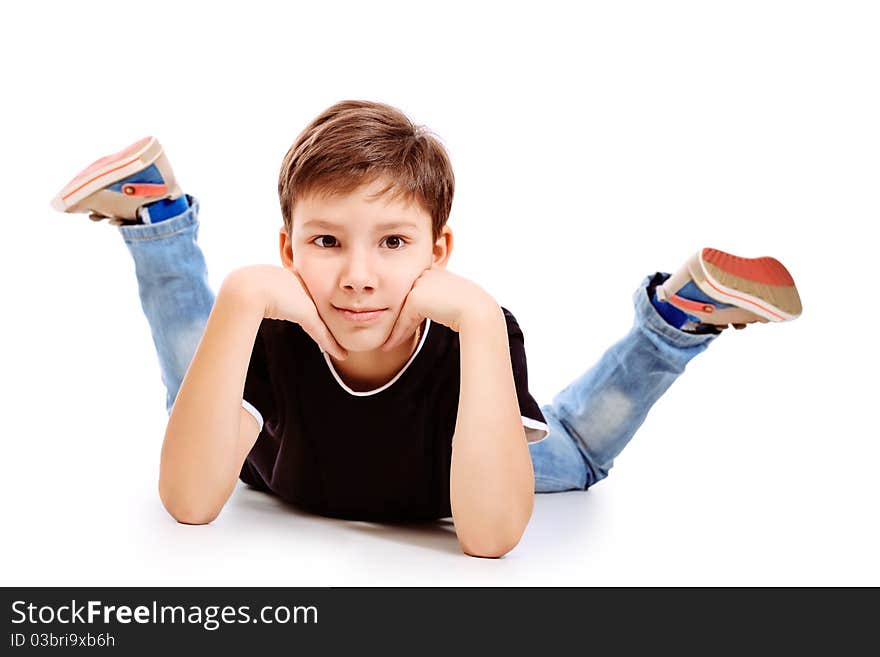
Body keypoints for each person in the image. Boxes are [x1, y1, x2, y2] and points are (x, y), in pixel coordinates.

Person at [50, 100, 802, 558]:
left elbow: (491, 536)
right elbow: (187, 500)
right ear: (288, 250)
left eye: (394, 242)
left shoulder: (473, 333)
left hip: (450, 481)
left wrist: (477, 318)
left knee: (571, 448)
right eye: (325, 242)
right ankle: (157, 214)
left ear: (439, 253)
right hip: (273, 465)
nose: (358, 276)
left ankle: (675, 319)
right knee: (199, 389)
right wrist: (245, 297)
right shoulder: (272, 328)